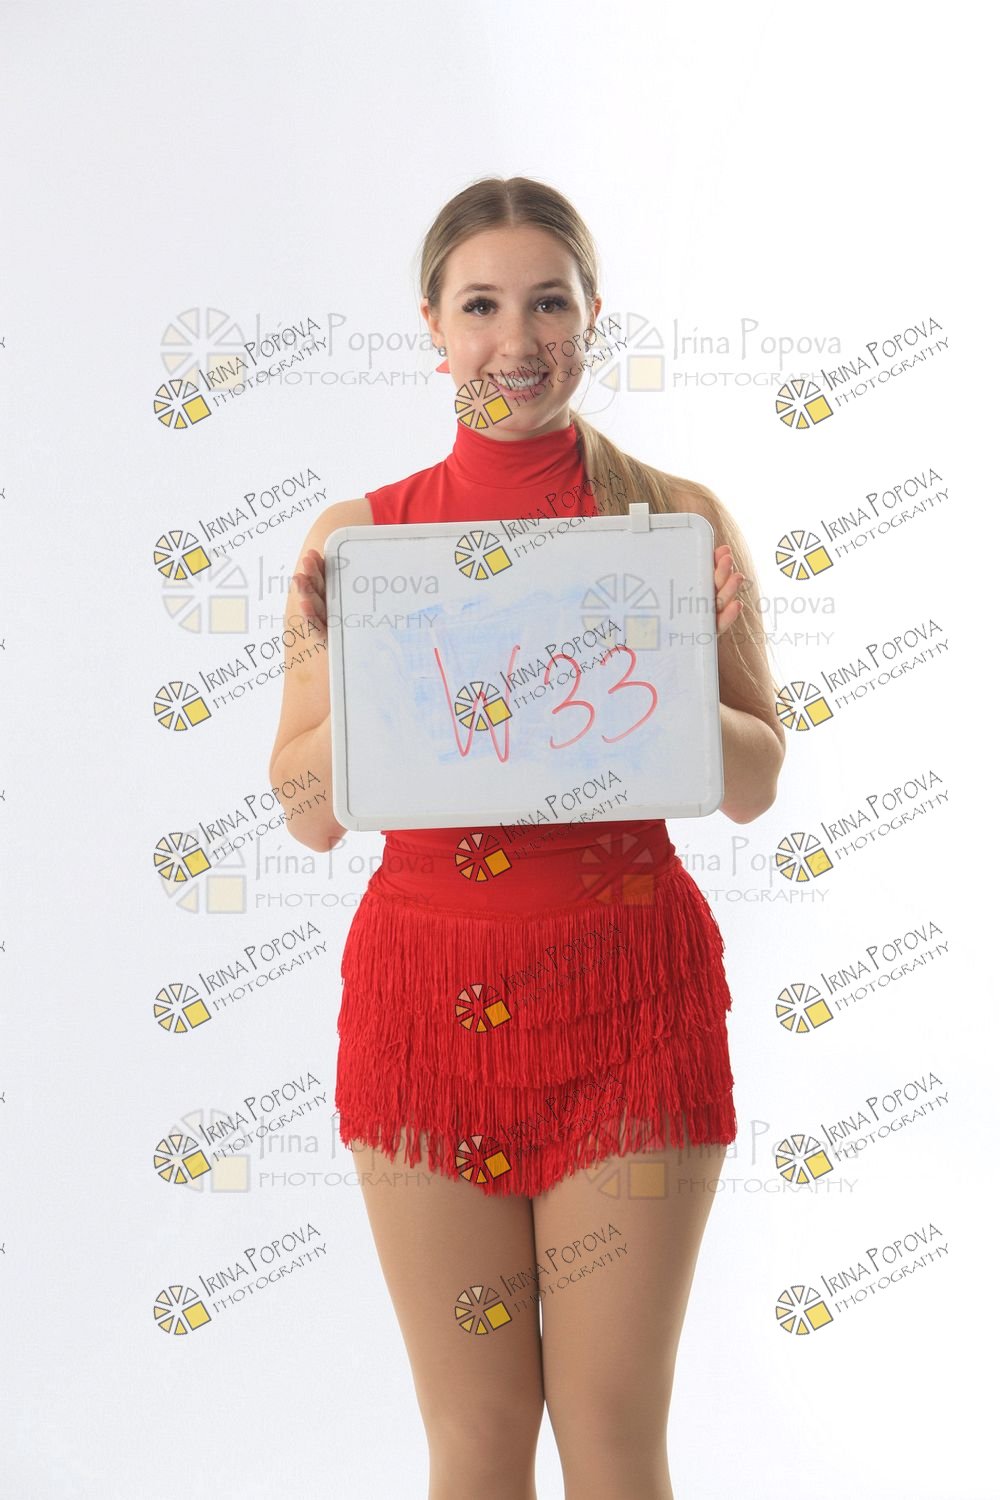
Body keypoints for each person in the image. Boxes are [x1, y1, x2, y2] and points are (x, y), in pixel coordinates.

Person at [269, 176, 785, 1500]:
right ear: (432, 328)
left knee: (611, 1430)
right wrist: (357, 665)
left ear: (592, 314)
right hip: (426, 1010)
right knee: (478, 1431)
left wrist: (673, 659)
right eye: (482, 306)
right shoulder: (361, 541)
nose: (517, 340)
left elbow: (755, 781)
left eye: (548, 303)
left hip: (630, 1002)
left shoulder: (672, 522)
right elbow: (307, 812)